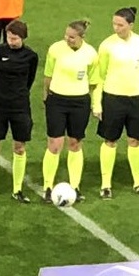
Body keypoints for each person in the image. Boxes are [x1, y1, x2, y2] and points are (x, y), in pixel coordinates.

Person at [95, 7, 139, 199]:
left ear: (131, 25)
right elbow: (99, 76)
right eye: (114, 24)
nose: (116, 28)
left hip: (136, 98)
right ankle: (106, 185)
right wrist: (97, 103)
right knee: (110, 140)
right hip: (113, 98)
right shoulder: (106, 46)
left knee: (134, 140)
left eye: (120, 25)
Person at [42, 19, 100, 203]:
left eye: (72, 37)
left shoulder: (91, 54)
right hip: (57, 100)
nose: (67, 39)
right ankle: (47, 186)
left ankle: (75, 186)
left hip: (79, 102)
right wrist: (46, 96)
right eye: (66, 35)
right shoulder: (55, 49)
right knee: (55, 143)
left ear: (82, 37)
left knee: (75, 143)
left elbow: (94, 81)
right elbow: (48, 75)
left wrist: (94, 104)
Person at [0, 20, 38, 203]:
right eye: (8, 37)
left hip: (20, 106)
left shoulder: (31, 56)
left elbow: (30, 79)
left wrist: (20, 94)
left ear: (23, 37)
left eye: (14, 38)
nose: (11, 41)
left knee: (19, 147)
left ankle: (17, 189)